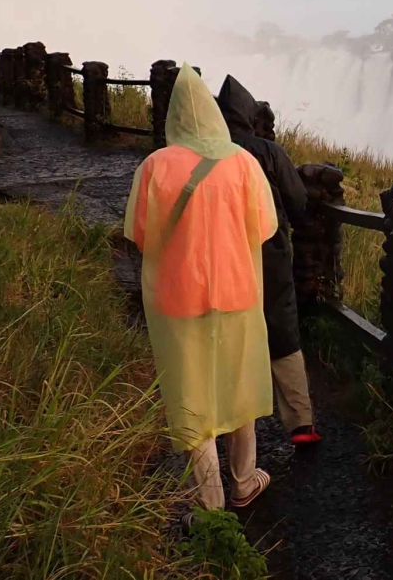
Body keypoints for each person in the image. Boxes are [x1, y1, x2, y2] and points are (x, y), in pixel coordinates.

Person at [124, 64, 277, 510]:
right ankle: (244, 481)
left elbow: (140, 234)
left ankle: (210, 506)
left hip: (178, 299)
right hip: (237, 292)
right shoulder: (243, 163)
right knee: (239, 385)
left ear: (173, 116)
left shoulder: (154, 166)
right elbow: (265, 227)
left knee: (192, 397)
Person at [217, 75, 322, 445]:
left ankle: (230, 419)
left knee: (230, 332)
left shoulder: (208, 152)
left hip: (223, 256)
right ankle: (300, 423)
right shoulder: (268, 152)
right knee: (282, 328)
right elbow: (297, 201)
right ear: (250, 116)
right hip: (269, 252)